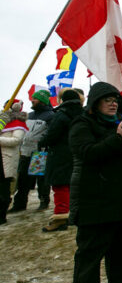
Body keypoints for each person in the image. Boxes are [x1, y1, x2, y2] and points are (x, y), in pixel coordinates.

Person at [68, 82, 122, 283]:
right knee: (88, 266)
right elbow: (88, 153)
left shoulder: (121, 124)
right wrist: (118, 139)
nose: (113, 103)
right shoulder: (82, 124)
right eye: (107, 100)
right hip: (95, 206)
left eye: (115, 100)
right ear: (94, 103)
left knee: (120, 264)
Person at [40, 89, 83, 232]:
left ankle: (60, 218)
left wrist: (41, 141)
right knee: (72, 186)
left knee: (59, 186)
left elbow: (52, 136)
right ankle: (73, 214)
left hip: (59, 155)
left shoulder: (61, 114)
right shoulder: (82, 113)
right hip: (76, 154)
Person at [11, 90, 54, 212]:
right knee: (23, 180)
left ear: (42, 100)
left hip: (39, 153)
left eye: (34, 99)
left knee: (41, 180)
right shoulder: (29, 115)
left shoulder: (50, 115)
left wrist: (42, 143)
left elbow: (51, 133)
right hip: (25, 152)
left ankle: (43, 201)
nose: (32, 100)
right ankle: (19, 204)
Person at [0, 100, 28, 225]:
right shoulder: (2, 121)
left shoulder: (19, 123)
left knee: (3, 189)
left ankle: (1, 215)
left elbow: (16, 140)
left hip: (7, 158)